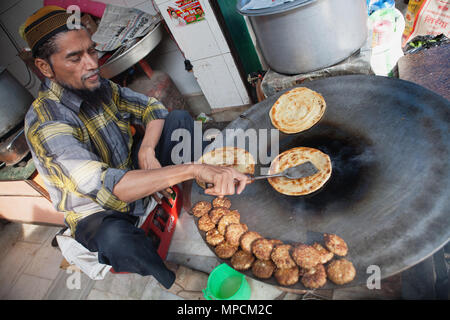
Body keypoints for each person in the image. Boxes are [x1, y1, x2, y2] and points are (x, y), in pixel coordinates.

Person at [22, 6, 249, 289]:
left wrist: (147, 151)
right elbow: (110, 187)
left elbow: (151, 108)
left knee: (178, 120)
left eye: (91, 51)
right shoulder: (46, 125)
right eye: (75, 58)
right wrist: (192, 168)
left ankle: (195, 200)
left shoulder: (97, 84)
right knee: (115, 241)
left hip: (129, 167)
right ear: (45, 68)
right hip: (97, 207)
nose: (92, 64)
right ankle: (174, 277)